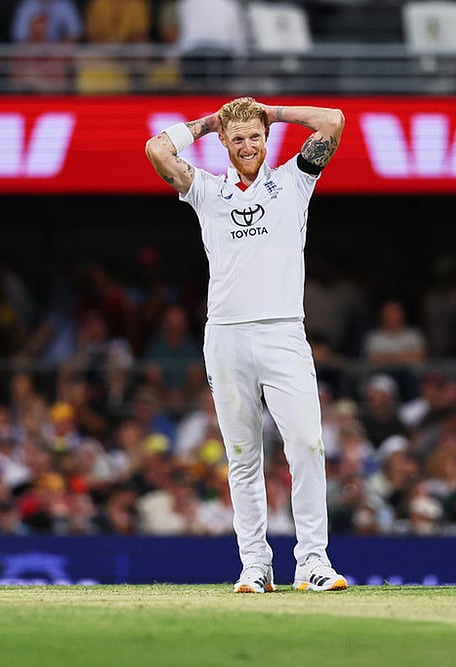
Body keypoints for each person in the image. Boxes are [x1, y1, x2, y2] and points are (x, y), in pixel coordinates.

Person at [144, 97, 348, 593]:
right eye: (237, 138)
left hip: (283, 333)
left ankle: (313, 563)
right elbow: (156, 149)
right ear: (224, 143)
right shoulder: (207, 190)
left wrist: (268, 112)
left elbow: (333, 122)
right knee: (241, 454)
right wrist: (210, 122)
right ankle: (255, 565)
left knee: (306, 444)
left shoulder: (294, 180)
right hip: (227, 336)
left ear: (266, 139)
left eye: (255, 137)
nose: (248, 145)